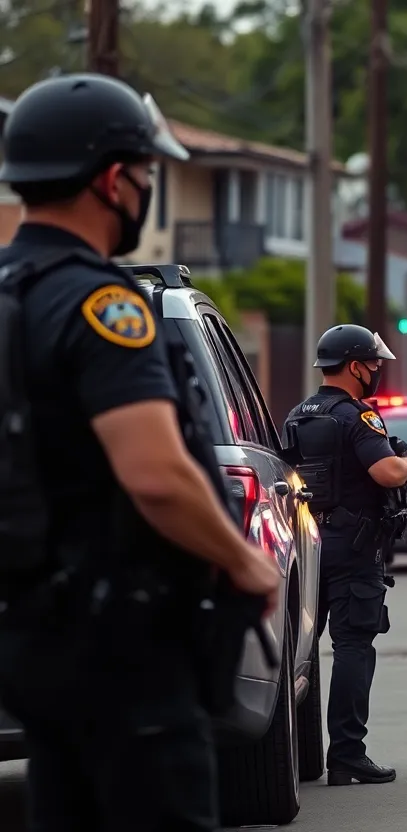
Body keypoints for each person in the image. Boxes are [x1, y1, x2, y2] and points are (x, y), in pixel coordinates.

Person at [0, 73, 280, 831]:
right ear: (113, 180)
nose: (149, 189)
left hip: (28, 632)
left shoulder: (9, 290)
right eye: (149, 174)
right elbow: (154, 474)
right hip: (122, 647)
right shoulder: (103, 305)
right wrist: (244, 558)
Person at [283, 324, 407, 786]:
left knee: (297, 650)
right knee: (353, 647)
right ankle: (346, 754)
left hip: (304, 544)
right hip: (353, 546)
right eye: (374, 362)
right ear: (355, 365)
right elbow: (385, 472)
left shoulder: (298, 414)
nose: (378, 369)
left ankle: (291, 754)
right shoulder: (358, 417)